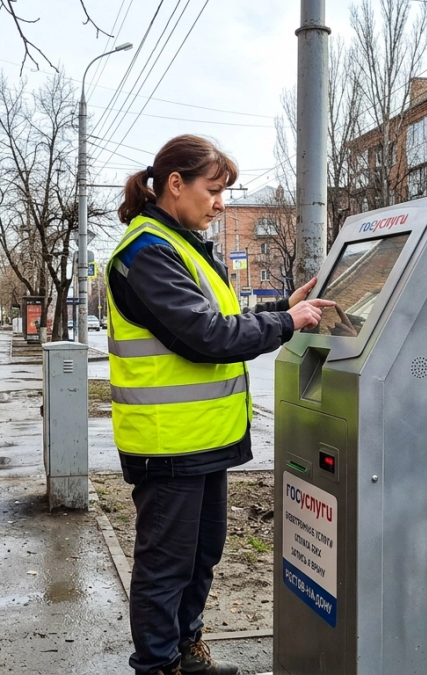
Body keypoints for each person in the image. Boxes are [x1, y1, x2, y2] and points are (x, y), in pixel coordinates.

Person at [108, 135, 332, 675]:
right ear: (175, 184)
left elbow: (219, 321)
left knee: (200, 556)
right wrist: (287, 323)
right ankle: (158, 666)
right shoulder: (146, 253)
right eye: (213, 190)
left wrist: (284, 305)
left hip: (202, 441)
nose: (221, 203)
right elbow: (206, 335)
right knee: (165, 568)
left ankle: (186, 654)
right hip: (169, 444)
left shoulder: (181, 246)